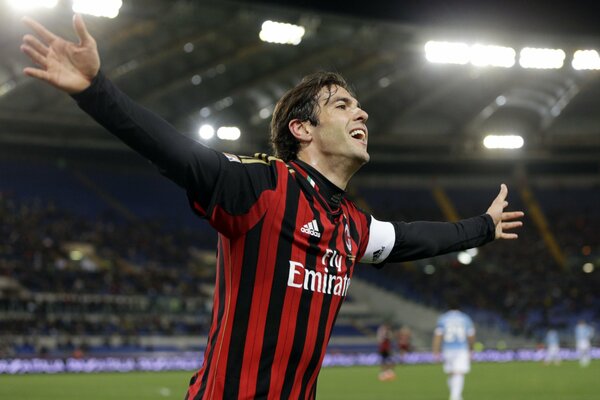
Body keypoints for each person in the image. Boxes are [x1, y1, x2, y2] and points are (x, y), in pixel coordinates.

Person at [20, 14, 524, 400]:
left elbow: (415, 237)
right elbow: (176, 153)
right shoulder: (262, 186)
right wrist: (96, 91)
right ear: (302, 130)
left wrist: (482, 227)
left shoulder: (351, 226)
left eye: (358, 105)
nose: (362, 111)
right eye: (342, 105)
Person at [432, 300, 475, 400]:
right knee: (458, 372)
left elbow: (438, 336)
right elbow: (471, 335)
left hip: (447, 348)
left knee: (452, 372)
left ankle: (456, 395)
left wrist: (436, 351)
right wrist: (471, 348)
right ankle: (455, 397)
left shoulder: (443, 319)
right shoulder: (465, 318)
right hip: (461, 348)